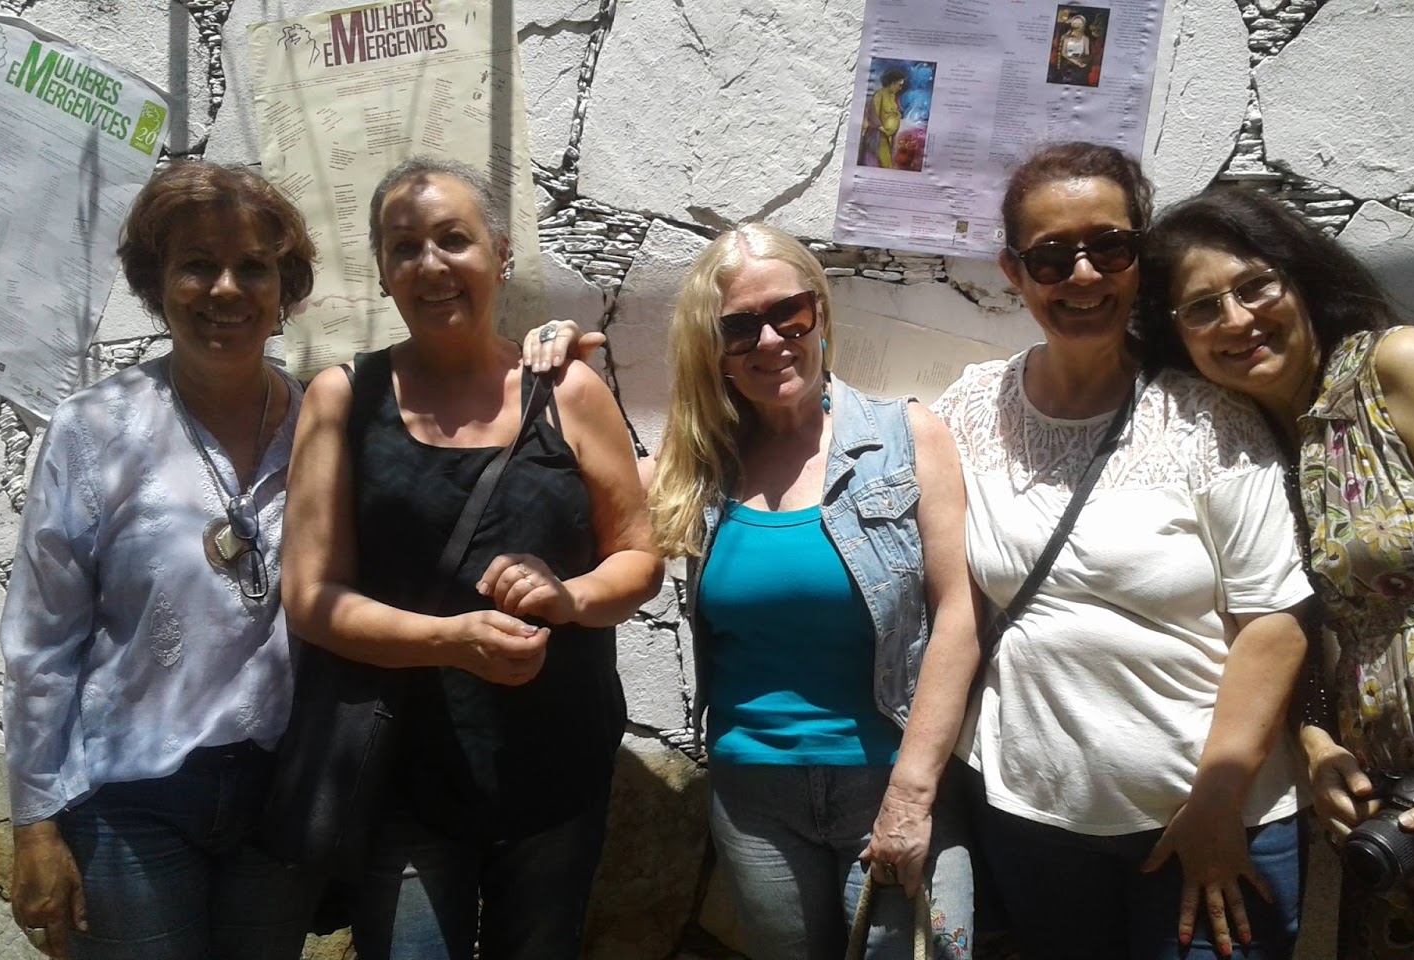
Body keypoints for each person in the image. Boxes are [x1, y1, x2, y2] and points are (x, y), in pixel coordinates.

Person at [522, 222, 980, 959]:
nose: (769, 341)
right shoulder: (698, 465)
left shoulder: (907, 437)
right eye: (738, 327)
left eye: (788, 314)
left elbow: (959, 613)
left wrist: (913, 792)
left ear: (819, 312)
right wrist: (554, 380)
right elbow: (563, 486)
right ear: (714, 348)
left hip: (889, 780)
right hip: (755, 801)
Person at [1139, 185, 1414, 959]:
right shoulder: (1244, 448)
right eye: (1202, 308)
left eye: (1255, 285)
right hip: (1402, 826)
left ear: (1300, 278)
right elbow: (1293, 628)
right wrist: (1316, 743)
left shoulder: (1395, 371)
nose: (1237, 319)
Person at [929, 142, 1312, 958]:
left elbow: (1273, 623)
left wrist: (1217, 803)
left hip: (1211, 824)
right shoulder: (970, 408)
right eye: (1051, 257)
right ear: (1013, 271)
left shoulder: (1211, 421)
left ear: (1139, 260)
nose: (1083, 275)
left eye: (1109, 247)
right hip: (1033, 821)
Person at [280, 155, 662, 960]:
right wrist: (450, 642)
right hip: (406, 778)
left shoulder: (568, 393)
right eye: (404, 247)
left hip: (557, 772)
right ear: (383, 272)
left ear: (501, 253)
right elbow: (311, 596)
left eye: (453, 239)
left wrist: (569, 596)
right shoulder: (344, 400)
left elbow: (638, 558)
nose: (431, 265)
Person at [1, 161, 319, 959]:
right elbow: (42, 643)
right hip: (131, 799)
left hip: (281, 793)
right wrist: (35, 822)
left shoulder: (322, 425)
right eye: (197, 265)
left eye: (253, 267)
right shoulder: (94, 430)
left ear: (285, 287)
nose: (225, 289)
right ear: (156, 282)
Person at [861, 67, 907, 169]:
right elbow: (873, 115)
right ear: (893, 83)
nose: (900, 88)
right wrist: (885, 131)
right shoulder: (879, 95)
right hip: (878, 137)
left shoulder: (893, 97)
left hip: (889, 138)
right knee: (883, 164)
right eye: (899, 85)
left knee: (889, 163)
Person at [1052, 15, 1092, 84]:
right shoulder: (1066, 38)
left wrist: (1081, 61)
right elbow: (1063, 53)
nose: (1077, 25)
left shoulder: (1085, 39)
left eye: (1080, 23)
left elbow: (1087, 53)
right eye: (1076, 23)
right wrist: (1074, 61)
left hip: (1080, 66)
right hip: (1067, 65)